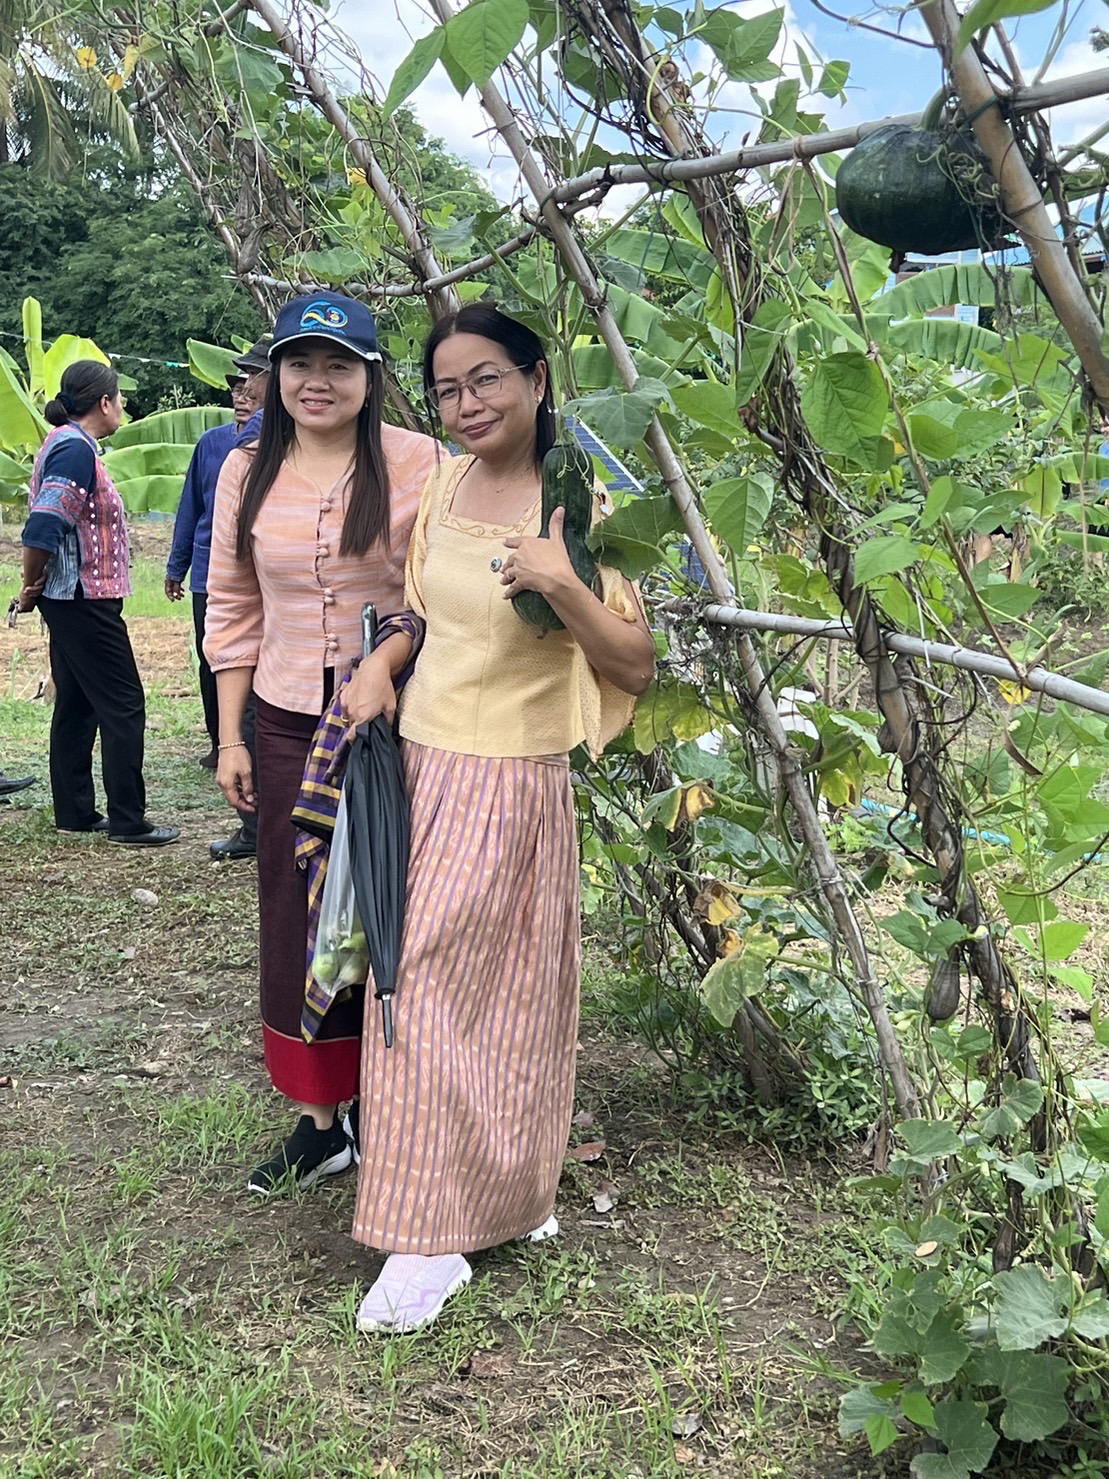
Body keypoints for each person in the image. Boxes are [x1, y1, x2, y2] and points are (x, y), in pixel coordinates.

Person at [340, 304, 655, 1333]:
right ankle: (480, 1204)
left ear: (533, 379)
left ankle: (434, 1237)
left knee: (441, 991)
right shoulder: (446, 482)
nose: (466, 403)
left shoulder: (580, 500)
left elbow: (630, 665)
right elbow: (423, 611)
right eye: (446, 388)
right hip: (420, 766)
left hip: (509, 781)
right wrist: (384, 664)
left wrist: (563, 581)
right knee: (446, 990)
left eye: (486, 380)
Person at [203, 291, 439, 1195]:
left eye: (339, 365)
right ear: (275, 374)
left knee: (390, 896)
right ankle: (319, 1119)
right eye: (300, 363)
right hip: (284, 715)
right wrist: (230, 735)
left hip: (392, 718)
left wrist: (387, 658)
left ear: (369, 377)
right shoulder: (244, 468)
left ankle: (394, 1098)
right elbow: (232, 608)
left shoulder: (419, 462)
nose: (317, 381)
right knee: (294, 906)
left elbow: (436, 587)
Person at [17, 361, 179, 846]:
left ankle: (75, 811)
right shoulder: (74, 450)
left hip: (71, 598)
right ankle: (129, 820)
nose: (123, 407)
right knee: (124, 704)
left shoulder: (68, 444)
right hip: (83, 597)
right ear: (105, 403)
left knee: (79, 702)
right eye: (120, 399)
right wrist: (31, 583)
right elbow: (44, 525)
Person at [166, 339, 271, 861]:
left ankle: (257, 826)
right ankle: (227, 753)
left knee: (254, 697)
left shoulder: (274, 433)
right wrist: (175, 565)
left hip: (268, 588)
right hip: (221, 578)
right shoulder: (219, 443)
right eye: (239, 378)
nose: (243, 388)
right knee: (223, 675)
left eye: (252, 376)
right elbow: (193, 508)